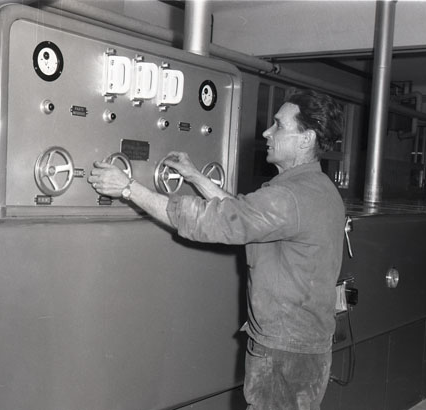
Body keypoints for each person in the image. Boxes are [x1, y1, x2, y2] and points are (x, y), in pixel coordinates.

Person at [88, 89, 345, 410]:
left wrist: (128, 188)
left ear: (306, 139)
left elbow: (210, 221)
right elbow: (244, 213)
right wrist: (196, 177)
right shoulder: (318, 189)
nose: (267, 132)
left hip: (283, 353)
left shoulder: (288, 198)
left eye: (279, 125)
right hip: (305, 346)